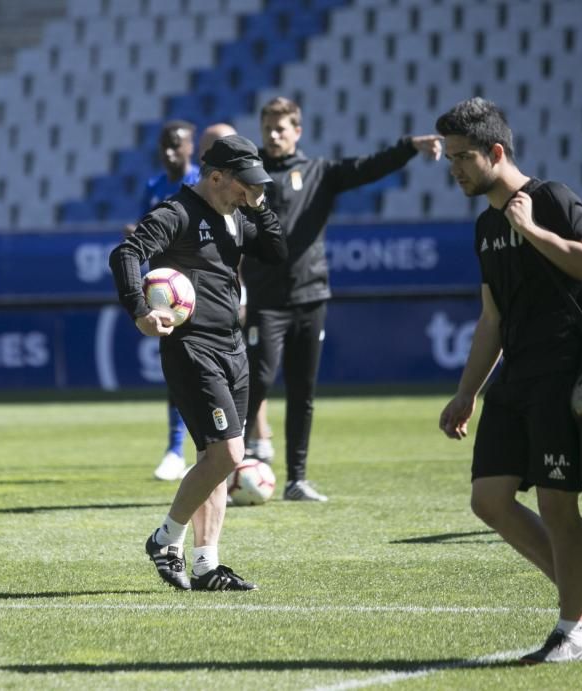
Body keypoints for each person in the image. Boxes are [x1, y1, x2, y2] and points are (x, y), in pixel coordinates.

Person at [435, 98, 582, 664]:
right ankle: (581, 588)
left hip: (564, 375)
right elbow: (493, 320)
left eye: (463, 157)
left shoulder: (553, 199)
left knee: (560, 507)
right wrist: (468, 391)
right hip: (515, 378)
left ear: (497, 152)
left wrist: (532, 229)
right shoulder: (486, 227)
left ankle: (571, 632)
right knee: (489, 501)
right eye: (450, 159)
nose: (455, 168)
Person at [240, 96, 443, 501]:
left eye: (282, 128)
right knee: (257, 380)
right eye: (268, 128)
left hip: (311, 296)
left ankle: (297, 478)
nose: (274, 135)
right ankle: (236, 463)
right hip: (266, 299)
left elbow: (367, 168)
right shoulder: (248, 175)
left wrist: (408, 147)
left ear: (298, 131)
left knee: (303, 389)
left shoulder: (320, 172)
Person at [110, 134, 287, 590]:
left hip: (232, 348)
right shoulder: (179, 213)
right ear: (215, 177)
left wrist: (259, 205)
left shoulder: (237, 215)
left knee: (218, 459)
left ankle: (207, 565)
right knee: (228, 453)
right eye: (243, 183)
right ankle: (165, 537)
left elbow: (277, 251)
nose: (249, 191)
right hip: (193, 349)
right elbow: (127, 253)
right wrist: (140, 310)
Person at [138, 121, 245, 482]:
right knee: (185, 378)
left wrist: (240, 291)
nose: (170, 152)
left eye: (177, 146)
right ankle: (175, 448)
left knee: (234, 378)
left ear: (191, 150)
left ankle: (250, 446)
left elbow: (230, 246)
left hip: (215, 304)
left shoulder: (206, 186)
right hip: (174, 299)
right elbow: (143, 235)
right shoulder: (153, 187)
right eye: (164, 146)